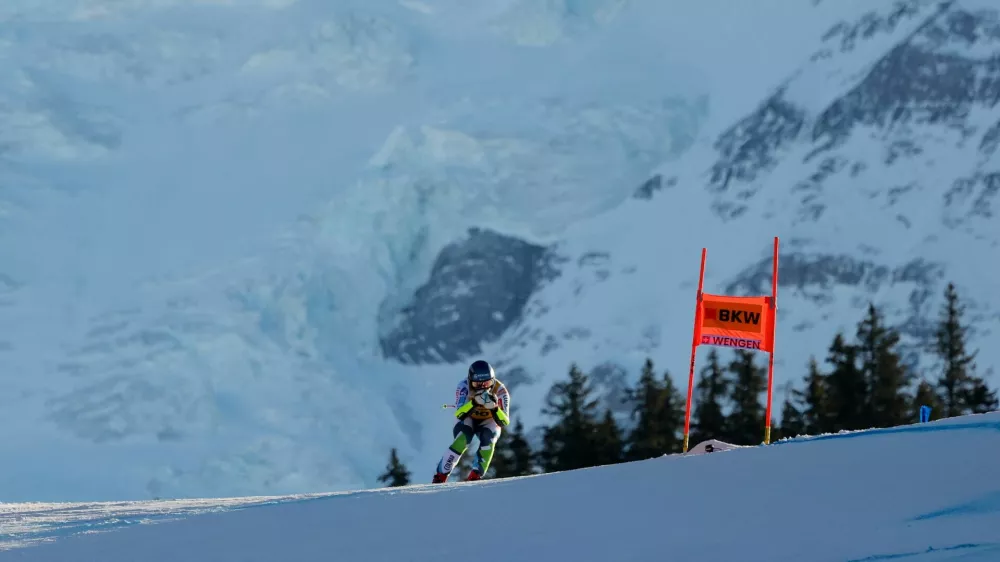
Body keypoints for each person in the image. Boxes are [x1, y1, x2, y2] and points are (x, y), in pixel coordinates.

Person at [432, 359, 510, 483]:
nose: (483, 388)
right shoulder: (463, 386)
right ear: (470, 381)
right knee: (462, 439)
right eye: (477, 385)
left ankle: (475, 476)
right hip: (469, 417)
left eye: (487, 383)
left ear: (493, 380)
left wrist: (495, 409)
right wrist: (474, 402)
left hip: (488, 420)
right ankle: (440, 476)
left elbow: (504, 421)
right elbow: (459, 414)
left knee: (489, 438)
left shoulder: (500, 390)